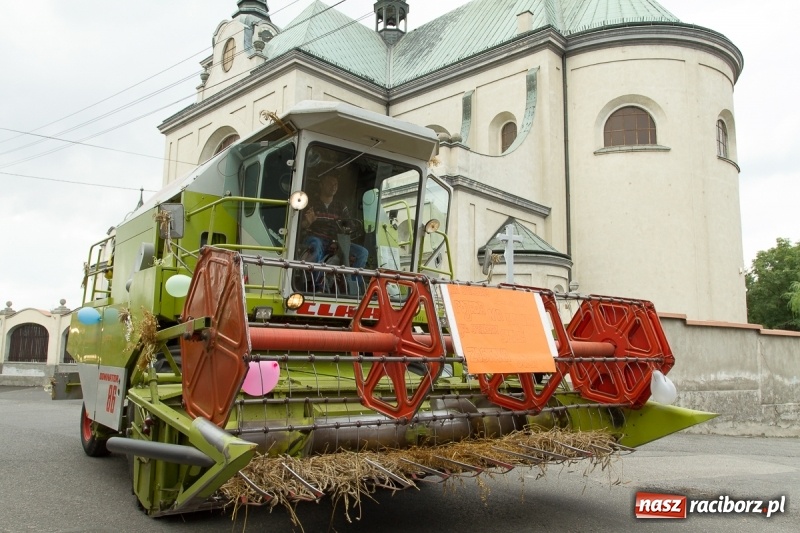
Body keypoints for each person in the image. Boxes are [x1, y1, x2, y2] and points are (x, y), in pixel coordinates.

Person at [299, 172, 368, 289]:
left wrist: (337, 241)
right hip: (316, 238)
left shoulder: (341, 206)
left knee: (362, 253)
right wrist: (308, 222)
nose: (333, 186)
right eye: (330, 183)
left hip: (337, 242)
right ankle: (317, 286)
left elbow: (349, 227)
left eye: (336, 184)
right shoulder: (311, 204)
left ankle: (352, 285)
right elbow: (300, 227)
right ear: (321, 185)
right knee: (316, 245)